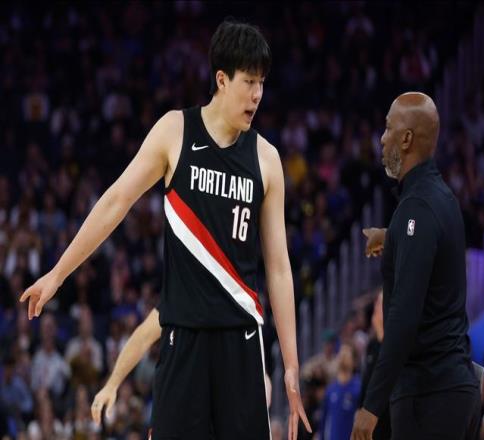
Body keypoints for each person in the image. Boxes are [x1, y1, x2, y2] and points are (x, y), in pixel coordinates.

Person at [20, 20, 311, 439]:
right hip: (183, 338)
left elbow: (279, 268)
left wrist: (291, 365)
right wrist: (58, 273)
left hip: (241, 338)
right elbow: (116, 201)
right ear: (222, 80)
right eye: (249, 82)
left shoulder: (266, 159)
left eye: (262, 83)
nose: (257, 95)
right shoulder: (176, 131)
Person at [351, 92, 481, 440]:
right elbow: (433, 252)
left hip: (430, 395)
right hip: (454, 390)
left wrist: (371, 406)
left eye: (388, 128)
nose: (382, 139)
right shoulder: (441, 197)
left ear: (406, 139)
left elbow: (404, 317)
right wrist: (391, 237)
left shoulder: (417, 207)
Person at [90, 308, 273, 425]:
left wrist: (259, 390)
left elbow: (260, 378)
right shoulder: (178, 297)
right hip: (177, 411)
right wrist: (112, 384)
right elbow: (143, 337)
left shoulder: (236, 308)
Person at [357, 290, 391, 440]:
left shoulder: (392, 346)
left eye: (379, 304)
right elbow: (366, 382)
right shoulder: (372, 345)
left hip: (386, 418)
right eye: (376, 303)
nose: (376, 308)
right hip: (369, 414)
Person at [318, 343, 361, 440]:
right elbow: (323, 421)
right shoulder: (330, 389)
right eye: (341, 353)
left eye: (347, 354)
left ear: (354, 362)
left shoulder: (359, 388)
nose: (343, 357)